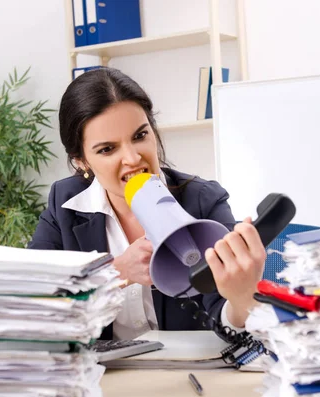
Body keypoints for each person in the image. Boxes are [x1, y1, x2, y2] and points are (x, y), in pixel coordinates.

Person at [28, 68, 266, 340]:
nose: (132, 158)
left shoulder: (203, 200)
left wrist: (240, 299)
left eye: (140, 136)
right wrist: (113, 272)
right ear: (81, 160)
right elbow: (36, 300)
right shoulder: (65, 205)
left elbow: (225, 319)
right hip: (100, 376)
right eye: (107, 149)